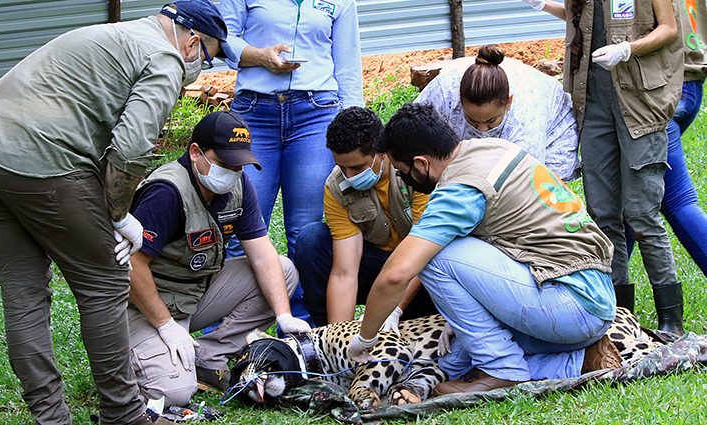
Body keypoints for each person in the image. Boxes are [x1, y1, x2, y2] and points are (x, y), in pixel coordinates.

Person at [0, 1, 227, 424]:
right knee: (105, 281)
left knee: (23, 295)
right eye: (208, 56)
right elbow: (130, 151)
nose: (203, 66)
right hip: (45, 159)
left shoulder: (119, 35)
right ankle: (124, 414)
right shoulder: (164, 58)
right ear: (191, 40)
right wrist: (118, 214)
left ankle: (51, 418)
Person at [348, 103, 619, 395]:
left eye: (402, 173)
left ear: (421, 164)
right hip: (595, 298)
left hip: (570, 305)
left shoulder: (460, 189)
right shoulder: (491, 149)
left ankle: (501, 368)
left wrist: (365, 337)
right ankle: (580, 361)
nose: (404, 181)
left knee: (434, 256)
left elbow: (396, 274)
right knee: (454, 359)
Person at [127, 111, 311, 406]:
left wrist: (283, 316)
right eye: (225, 163)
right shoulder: (166, 192)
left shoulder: (237, 185)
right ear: (195, 152)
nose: (233, 171)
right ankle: (139, 354)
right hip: (142, 303)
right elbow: (132, 267)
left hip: (193, 291)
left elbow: (263, 255)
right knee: (176, 393)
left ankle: (208, 357)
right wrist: (165, 326)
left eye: (239, 164)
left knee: (283, 270)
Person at [523, 0, 685, 335]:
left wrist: (628, 49)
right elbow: (581, 19)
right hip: (594, 105)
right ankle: (621, 315)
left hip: (640, 103)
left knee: (642, 213)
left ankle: (671, 319)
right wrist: (542, 5)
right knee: (602, 214)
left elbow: (668, 28)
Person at [219, 0, 365, 325]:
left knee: (305, 228)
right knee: (239, 224)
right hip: (254, 111)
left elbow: (347, 64)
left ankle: (304, 331)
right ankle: (227, 334)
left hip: (316, 112)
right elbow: (222, 36)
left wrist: (355, 128)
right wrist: (260, 57)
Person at [294, 107, 438, 328]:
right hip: (377, 269)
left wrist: (393, 310)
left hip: (424, 272)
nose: (349, 176)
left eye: (356, 167)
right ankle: (324, 337)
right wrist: (338, 338)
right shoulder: (336, 187)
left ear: (381, 152)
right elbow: (345, 272)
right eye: (342, 167)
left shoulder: (415, 170)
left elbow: (427, 248)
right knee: (312, 240)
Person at [415, 44, 580, 182]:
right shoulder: (444, 91)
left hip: (554, 130)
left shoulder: (526, 118)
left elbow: (522, 180)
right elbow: (408, 126)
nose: (482, 130)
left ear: (508, 102)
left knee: (540, 190)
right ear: (459, 100)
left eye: (490, 121)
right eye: (472, 121)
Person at [626, 0, 707, 278]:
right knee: (631, 198)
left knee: (676, 200)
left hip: (662, 91)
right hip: (689, 84)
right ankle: (605, 298)